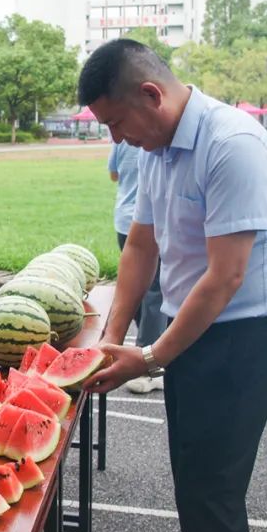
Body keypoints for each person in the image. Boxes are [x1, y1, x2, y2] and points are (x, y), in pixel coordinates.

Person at [79, 39, 267, 532]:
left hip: (240, 341)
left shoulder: (233, 145)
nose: (117, 139)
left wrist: (149, 357)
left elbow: (225, 277)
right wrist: (112, 335)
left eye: (116, 123)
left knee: (214, 493)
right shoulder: (158, 148)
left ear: (151, 94)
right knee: (194, 485)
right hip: (192, 337)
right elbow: (141, 245)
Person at [108, 139, 167, 394]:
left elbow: (113, 174)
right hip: (144, 224)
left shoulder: (121, 141)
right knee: (153, 294)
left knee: (141, 291)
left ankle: (149, 354)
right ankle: (149, 364)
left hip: (123, 221)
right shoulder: (152, 143)